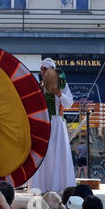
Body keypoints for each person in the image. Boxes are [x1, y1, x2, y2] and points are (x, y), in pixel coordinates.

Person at [29, 58, 76, 193]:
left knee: (57, 154)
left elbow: (69, 104)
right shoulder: (40, 86)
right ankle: (41, 187)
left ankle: (57, 186)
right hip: (43, 125)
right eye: (41, 69)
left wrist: (60, 94)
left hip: (57, 125)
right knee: (43, 155)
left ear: (50, 70)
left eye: (43, 69)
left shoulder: (62, 85)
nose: (41, 71)